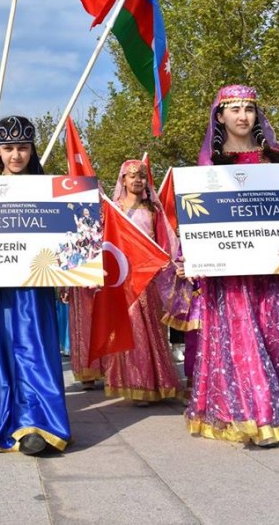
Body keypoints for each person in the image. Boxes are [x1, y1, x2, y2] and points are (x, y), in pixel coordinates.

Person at [185, 85, 279, 446]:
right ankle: (258, 413)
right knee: (241, 335)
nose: (242, 116)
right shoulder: (209, 166)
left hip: (272, 270)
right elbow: (200, 220)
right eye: (234, 109)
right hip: (231, 273)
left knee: (273, 335)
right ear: (219, 116)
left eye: (249, 109)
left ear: (257, 115)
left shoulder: (276, 159)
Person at [0, 115, 71, 454]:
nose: (16, 155)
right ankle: (7, 417)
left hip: (35, 288)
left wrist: (69, 277)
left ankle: (40, 423)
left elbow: (65, 239)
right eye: (8, 148)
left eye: (22, 147)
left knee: (35, 350)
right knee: (3, 349)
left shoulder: (49, 189)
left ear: (32, 150)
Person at [101, 160, 183, 405]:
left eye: (142, 176)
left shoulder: (153, 211)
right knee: (132, 329)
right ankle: (137, 383)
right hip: (125, 278)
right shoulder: (113, 210)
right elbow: (106, 241)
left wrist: (172, 265)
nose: (137, 180)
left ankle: (159, 383)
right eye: (132, 176)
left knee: (154, 329)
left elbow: (165, 244)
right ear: (123, 179)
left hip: (150, 278)